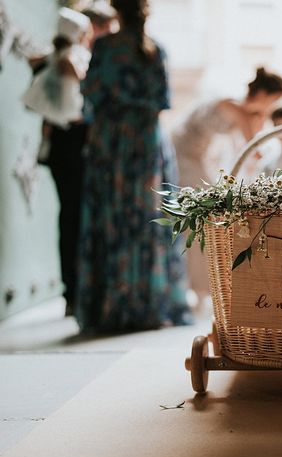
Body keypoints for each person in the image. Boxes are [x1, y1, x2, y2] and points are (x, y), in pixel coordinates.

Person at [76, 0, 193, 332]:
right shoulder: (156, 49)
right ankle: (149, 303)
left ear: (115, 10)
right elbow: (163, 101)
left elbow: (91, 91)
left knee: (112, 216)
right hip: (146, 142)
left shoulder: (105, 46)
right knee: (149, 220)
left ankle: (115, 303)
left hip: (112, 141)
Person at [172, 67, 282, 311]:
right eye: (274, 100)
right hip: (185, 157)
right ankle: (198, 288)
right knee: (201, 221)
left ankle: (203, 287)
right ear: (264, 93)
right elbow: (254, 146)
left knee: (204, 220)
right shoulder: (234, 108)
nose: (272, 106)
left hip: (200, 158)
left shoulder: (246, 113)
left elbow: (248, 148)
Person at [22, 7, 92, 316]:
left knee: (70, 217)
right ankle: (79, 291)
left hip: (61, 149)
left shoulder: (45, 62)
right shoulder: (70, 60)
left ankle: (72, 291)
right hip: (76, 145)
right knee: (79, 218)